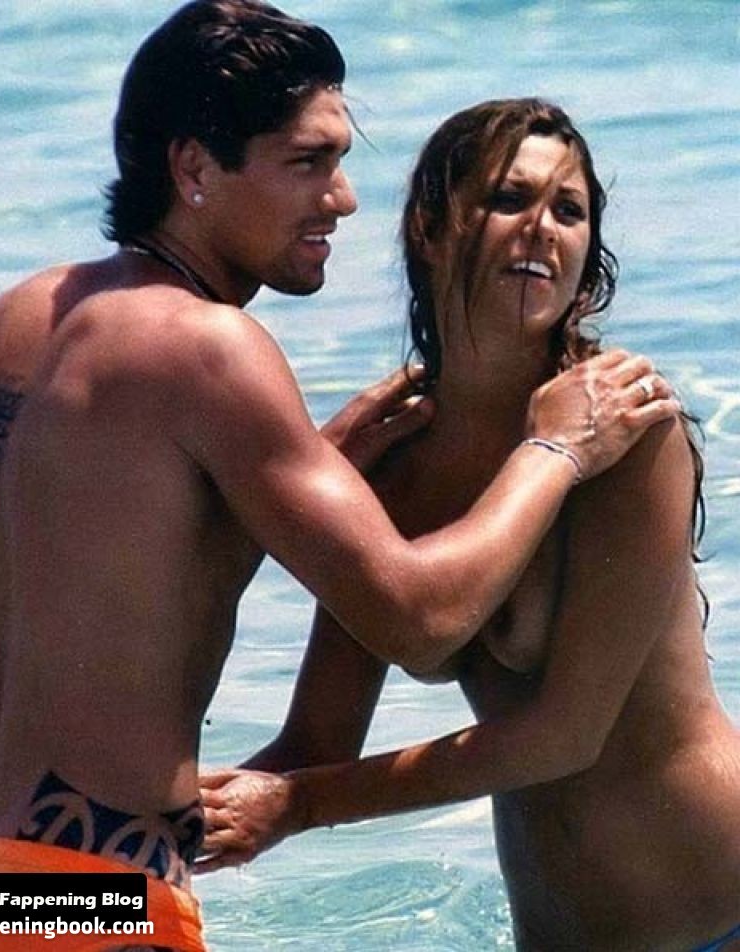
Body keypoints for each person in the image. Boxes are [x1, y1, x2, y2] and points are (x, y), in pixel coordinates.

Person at [0, 0, 673, 945]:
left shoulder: (9, 324)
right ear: (194, 168)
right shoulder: (210, 348)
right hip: (95, 902)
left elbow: (118, 578)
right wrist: (555, 449)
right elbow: (422, 618)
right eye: (307, 162)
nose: (342, 198)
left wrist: (312, 458)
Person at [197, 99, 740, 951]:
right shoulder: (393, 464)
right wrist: (128, 831)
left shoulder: (625, 432)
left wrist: (301, 805)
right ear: (430, 228)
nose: (542, 230)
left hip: (712, 912)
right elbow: (319, 739)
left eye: (569, 211)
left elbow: (565, 734)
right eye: (509, 200)